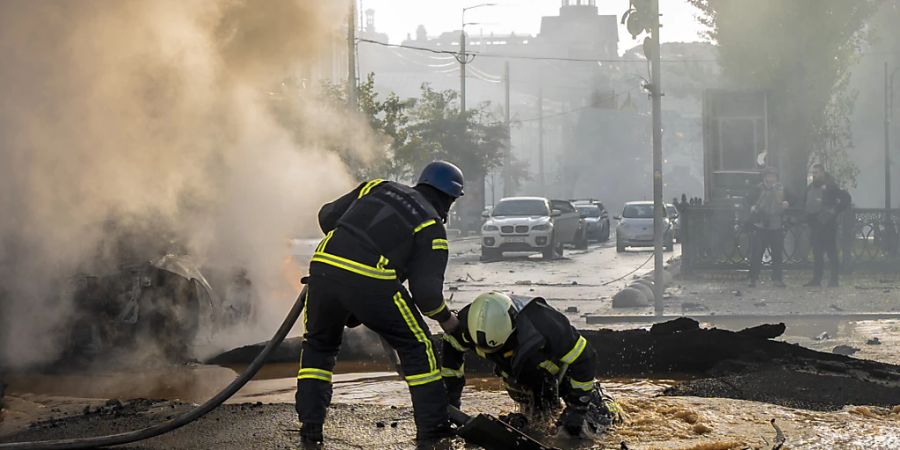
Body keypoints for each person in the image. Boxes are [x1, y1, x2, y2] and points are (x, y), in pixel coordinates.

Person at [295, 161, 464, 447]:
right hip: (371, 279)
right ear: (449, 198)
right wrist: (448, 320)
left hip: (322, 268)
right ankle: (433, 431)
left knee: (319, 347)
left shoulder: (378, 186)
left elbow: (327, 217)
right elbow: (427, 297)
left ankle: (311, 429)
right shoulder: (431, 225)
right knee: (418, 346)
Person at [441, 292, 621, 439]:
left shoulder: (546, 324)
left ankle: (602, 407)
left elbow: (585, 357)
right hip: (519, 376)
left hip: (560, 374)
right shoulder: (466, 326)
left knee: (599, 422)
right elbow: (451, 362)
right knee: (535, 426)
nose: (491, 352)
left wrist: (578, 409)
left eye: (497, 348)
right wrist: (452, 403)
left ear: (512, 327)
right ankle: (527, 423)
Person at [804, 164, 851, 287]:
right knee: (817, 253)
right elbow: (808, 203)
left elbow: (846, 198)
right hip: (815, 225)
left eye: (817, 172)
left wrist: (835, 210)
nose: (814, 174)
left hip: (828, 225)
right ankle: (817, 279)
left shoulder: (831, 187)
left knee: (831, 253)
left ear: (823, 173)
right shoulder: (810, 187)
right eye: (813, 172)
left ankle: (834, 280)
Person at [747, 167, 789, 288]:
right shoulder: (757, 188)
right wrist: (752, 207)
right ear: (765, 177)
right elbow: (748, 200)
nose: (771, 179)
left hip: (775, 224)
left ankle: (777, 279)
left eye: (773, 176)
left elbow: (793, 197)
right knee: (756, 253)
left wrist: (787, 202)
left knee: (777, 254)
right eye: (769, 176)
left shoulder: (781, 188)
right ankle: (753, 278)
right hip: (760, 224)